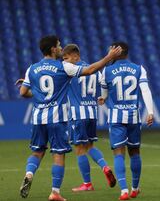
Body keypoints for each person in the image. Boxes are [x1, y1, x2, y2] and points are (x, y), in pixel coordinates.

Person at [17, 35, 121, 201]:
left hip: (39, 118)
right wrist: (109, 57)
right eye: (58, 46)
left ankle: (29, 174)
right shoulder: (63, 66)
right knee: (59, 154)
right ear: (52, 49)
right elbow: (90, 70)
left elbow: (23, 92)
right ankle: (55, 192)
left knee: (37, 152)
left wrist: (36, 91)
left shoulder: (32, 68)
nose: (60, 48)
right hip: (59, 118)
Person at [98, 41, 154, 200]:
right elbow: (145, 90)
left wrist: (102, 99)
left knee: (118, 154)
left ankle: (123, 191)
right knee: (135, 152)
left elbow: (104, 95)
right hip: (134, 116)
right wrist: (150, 111)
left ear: (116, 51)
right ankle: (135, 188)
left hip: (116, 116)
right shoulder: (139, 69)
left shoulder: (106, 71)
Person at [62, 44, 116, 192]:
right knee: (90, 146)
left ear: (75, 56)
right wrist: (103, 97)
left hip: (77, 114)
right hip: (92, 113)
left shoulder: (69, 71)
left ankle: (87, 184)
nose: (64, 61)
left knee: (79, 149)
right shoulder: (94, 71)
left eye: (66, 58)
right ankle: (105, 167)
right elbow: (105, 84)